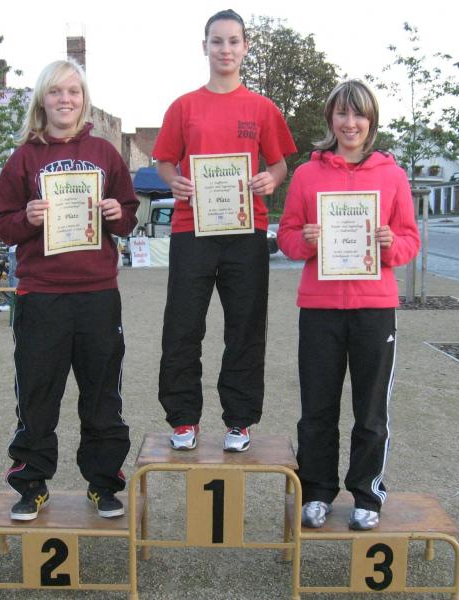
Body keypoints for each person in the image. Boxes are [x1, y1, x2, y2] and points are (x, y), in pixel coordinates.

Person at [0, 59, 138, 521]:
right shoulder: (24, 157)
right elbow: (1, 223)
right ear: (42, 100)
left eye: (73, 91)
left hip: (97, 293)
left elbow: (129, 214)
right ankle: (31, 483)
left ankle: (104, 483)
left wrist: (117, 214)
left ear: (83, 99)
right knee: (37, 393)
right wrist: (27, 218)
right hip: (41, 295)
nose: (65, 100)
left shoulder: (105, 153)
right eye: (55, 92)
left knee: (102, 394)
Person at [277, 80, 420, 530]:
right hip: (319, 308)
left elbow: (410, 240)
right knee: (317, 409)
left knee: (371, 410)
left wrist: (390, 243)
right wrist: (305, 240)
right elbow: (286, 237)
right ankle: (317, 492)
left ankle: (367, 494)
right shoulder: (307, 175)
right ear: (331, 119)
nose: (350, 123)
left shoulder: (392, 176)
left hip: (374, 309)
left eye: (359, 114)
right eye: (342, 113)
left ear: (371, 121)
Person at [153, 9, 296, 453]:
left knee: (245, 328)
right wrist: (174, 180)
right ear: (205, 47)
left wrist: (271, 179)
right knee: (182, 326)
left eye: (234, 41)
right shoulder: (183, 106)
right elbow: (164, 161)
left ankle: (239, 420)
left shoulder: (262, 108)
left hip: (246, 230)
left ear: (245, 47)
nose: (225, 49)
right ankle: (183, 418)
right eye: (217, 41)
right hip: (191, 229)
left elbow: (280, 164)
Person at [0, 244, 16, 313]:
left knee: (13, 276)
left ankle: (11, 302)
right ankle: (12, 301)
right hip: (13, 249)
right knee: (13, 276)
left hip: (15, 250)